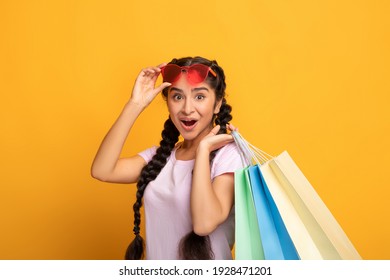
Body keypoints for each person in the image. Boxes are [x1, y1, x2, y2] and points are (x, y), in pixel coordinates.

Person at [91, 56, 244, 260]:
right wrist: (135, 104)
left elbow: (204, 224)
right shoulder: (159, 157)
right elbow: (102, 170)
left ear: (217, 104)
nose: (187, 109)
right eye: (177, 97)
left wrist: (202, 152)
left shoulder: (229, 156)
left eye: (199, 97)